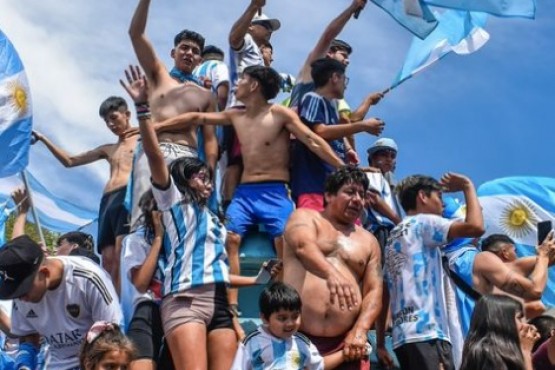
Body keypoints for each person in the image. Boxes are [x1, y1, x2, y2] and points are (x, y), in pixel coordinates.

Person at [149, 65, 345, 320]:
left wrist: (344, 168)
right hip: (244, 194)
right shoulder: (235, 115)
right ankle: (232, 304)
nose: (237, 83)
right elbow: (196, 118)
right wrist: (154, 128)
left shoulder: (281, 114)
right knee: (229, 238)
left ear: (254, 85)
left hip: (275, 192)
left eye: (242, 79)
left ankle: (278, 302)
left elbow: (313, 140)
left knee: (283, 242)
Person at [135, 85, 237, 370]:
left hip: (220, 304)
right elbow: (156, 157)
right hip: (185, 299)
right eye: (201, 177)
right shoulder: (173, 202)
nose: (207, 183)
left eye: (208, 178)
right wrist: (143, 110)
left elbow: (222, 269)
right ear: (184, 180)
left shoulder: (216, 220)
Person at [127, 0, 218, 224]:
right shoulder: (158, 75)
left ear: (200, 59)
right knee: (145, 219)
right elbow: (136, 34)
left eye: (195, 51)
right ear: (173, 52)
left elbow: (210, 139)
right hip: (154, 151)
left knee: (185, 220)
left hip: (188, 156)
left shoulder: (206, 95)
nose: (189, 53)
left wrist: (209, 170)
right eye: (184, 48)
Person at [283, 166, 383, 370]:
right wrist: (331, 273)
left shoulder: (369, 241)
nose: (357, 199)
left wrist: (361, 330)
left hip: (347, 346)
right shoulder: (304, 217)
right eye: (350, 192)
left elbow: (374, 290)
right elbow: (303, 247)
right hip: (294, 339)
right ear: (328, 195)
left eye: (362, 195)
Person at [382, 173, 485, 370]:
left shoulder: (393, 238)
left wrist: (380, 342)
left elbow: (384, 291)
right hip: (428, 333)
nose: (442, 205)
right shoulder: (424, 222)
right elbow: (476, 227)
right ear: (422, 197)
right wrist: (467, 185)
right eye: (438, 197)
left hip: (402, 337)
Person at [32, 96, 136, 288]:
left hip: (127, 196)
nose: (111, 124)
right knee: (108, 260)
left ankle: (125, 310)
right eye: (107, 122)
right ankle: (112, 306)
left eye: (114, 118)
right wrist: (43, 139)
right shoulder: (109, 149)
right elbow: (70, 161)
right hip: (107, 202)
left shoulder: (142, 136)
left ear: (127, 114)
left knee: (123, 254)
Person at [0, 235, 122, 370]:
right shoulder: (22, 295)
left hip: (95, 362)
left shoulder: (88, 279)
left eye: (23, 291)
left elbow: (112, 337)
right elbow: (28, 335)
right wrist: (24, 364)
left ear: (45, 272)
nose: (21, 299)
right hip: (57, 363)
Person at [291, 58, 384, 211]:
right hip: (313, 187)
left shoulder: (332, 107)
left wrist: (347, 151)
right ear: (334, 78)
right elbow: (320, 131)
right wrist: (362, 126)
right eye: (344, 79)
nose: (345, 85)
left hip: (332, 187)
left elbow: (338, 130)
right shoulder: (313, 98)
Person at [231, 282, 347, 370]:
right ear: (265, 318)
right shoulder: (252, 342)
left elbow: (319, 365)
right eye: (282, 318)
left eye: (295, 316)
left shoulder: (302, 343)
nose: (290, 323)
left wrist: (344, 355)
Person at [120, 190, 173, 370]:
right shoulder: (136, 240)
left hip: (177, 308)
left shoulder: (183, 238)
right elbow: (141, 284)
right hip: (149, 310)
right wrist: (158, 239)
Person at [460, 294, 540, 370]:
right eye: (519, 318)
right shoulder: (488, 355)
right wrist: (526, 352)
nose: (525, 325)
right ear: (503, 321)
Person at [363, 138, 402, 255]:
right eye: (384, 155)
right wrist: (400, 222)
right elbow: (375, 200)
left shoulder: (387, 182)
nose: (389, 159)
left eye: (392, 156)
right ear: (373, 158)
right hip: (379, 230)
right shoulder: (373, 174)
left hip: (389, 233)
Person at [193, 45, 230, 112]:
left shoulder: (194, 71)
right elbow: (223, 94)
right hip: (213, 117)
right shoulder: (219, 65)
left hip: (194, 116)